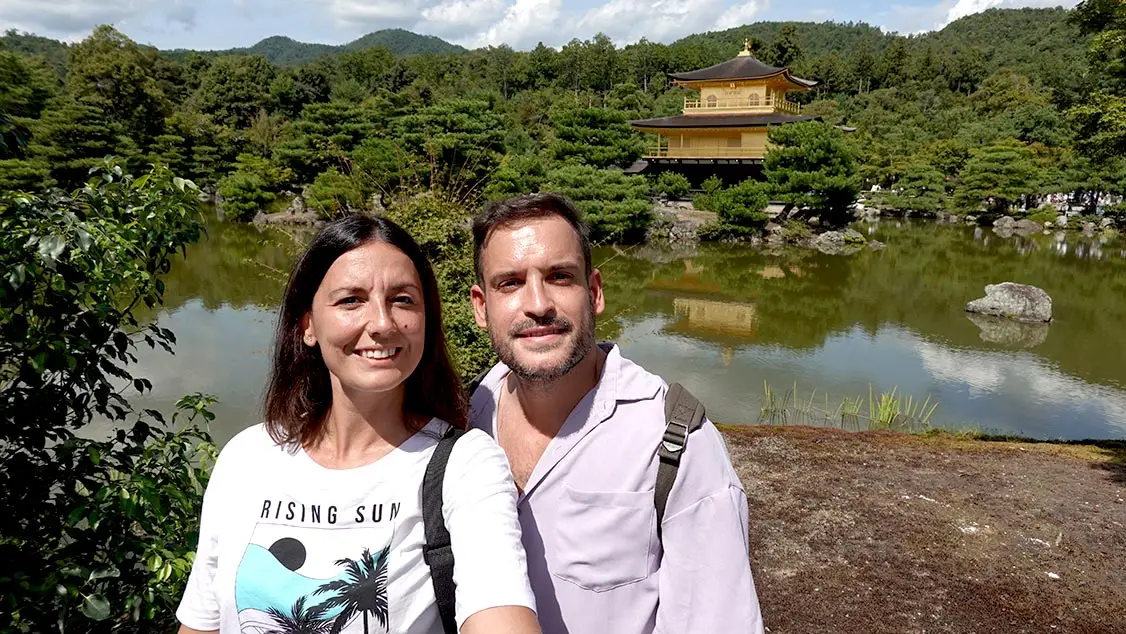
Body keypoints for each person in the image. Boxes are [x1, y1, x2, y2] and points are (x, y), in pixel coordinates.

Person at [176, 215, 540, 634]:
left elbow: (499, 606)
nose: (382, 323)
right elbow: (202, 624)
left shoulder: (465, 466)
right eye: (351, 300)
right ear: (308, 324)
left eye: (403, 300)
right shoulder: (247, 458)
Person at [467, 194, 765, 634]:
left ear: (594, 292)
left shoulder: (675, 441)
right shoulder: (467, 413)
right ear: (481, 306)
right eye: (509, 283)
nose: (538, 304)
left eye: (559, 277)